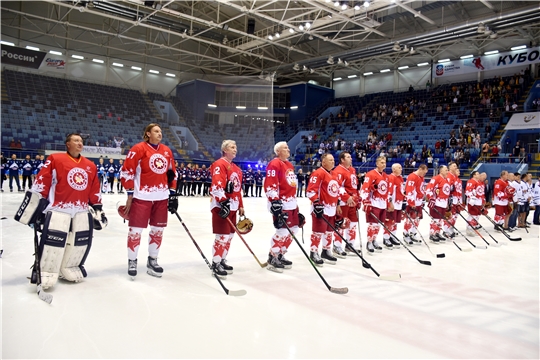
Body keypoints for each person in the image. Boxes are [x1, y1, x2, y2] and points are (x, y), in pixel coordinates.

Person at [15, 133, 106, 290]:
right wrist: (35, 208)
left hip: (81, 210)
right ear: (67, 144)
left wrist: (97, 208)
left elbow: (94, 188)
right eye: (76, 140)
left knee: (80, 242)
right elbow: (42, 181)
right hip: (59, 208)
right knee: (53, 242)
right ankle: (46, 271)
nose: (80, 143)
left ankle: (70, 267)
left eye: (81, 141)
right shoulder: (55, 159)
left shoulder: (90, 165)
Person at [119, 123, 178, 279]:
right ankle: (132, 261)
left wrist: (172, 193)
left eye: (160, 131)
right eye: (156, 131)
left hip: (161, 198)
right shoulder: (138, 149)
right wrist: (130, 194)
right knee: (135, 231)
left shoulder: (166, 151)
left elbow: (173, 173)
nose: (160, 134)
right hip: (142, 197)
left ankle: (153, 260)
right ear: (147, 134)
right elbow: (127, 171)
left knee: (158, 231)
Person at [208, 140, 244, 278]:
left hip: (233, 206)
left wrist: (241, 205)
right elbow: (216, 185)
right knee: (222, 236)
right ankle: (216, 262)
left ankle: (222, 259)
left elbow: (237, 189)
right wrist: (223, 202)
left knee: (229, 236)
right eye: (232, 147)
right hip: (222, 205)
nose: (235, 149)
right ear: (224, 150)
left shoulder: (237, 169)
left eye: (236, 147)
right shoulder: (219, 164)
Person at [264, 142, 300, 272]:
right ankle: (272, 256)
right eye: (285, 148)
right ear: (278, 151)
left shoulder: (289, 165)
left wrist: (296, 205)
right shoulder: (274, 163)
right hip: (281, 203)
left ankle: (280, 253)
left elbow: (291, 185)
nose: (288, 149)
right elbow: (270, 184)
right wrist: (274, 201)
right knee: (283, 231)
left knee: (294, 229)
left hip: (291, 203)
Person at [306, 153, 340, 264]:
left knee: (329, 231)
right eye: (330, 160)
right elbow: (310, 191)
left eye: (333, 160)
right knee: (318, 231)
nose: (333, 162)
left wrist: (338, 204)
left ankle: (326, 251)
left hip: (332, 208)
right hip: (321, 208)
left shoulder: (334, 174)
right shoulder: (318, 173)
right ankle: (314, 252)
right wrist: (316, 203)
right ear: (323, 162)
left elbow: (336, 191)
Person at [360, 156, 389, 253]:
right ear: (377, 164)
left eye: (384, 162)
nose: (383, 164)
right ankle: (369, 242)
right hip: (374, 203)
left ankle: (374, 239)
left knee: (379, 224)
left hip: (383, 204)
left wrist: (388, 202)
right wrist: (366, 201)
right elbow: (365, 188)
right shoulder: (370, 174)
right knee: (372, 224)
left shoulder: (386, 176)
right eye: (381, 162)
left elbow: (387, 191)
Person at [333, 151, 360, 256]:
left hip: (352, 201)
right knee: (342, 224)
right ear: (342, 160)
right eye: (348, 157)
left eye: (350, 157)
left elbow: (355, 186)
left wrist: (357, 198)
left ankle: (350, 244)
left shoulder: (352, 170)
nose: (351, 158)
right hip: (344, 202)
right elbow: (337, 187)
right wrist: (346, 197)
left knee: (353, 223)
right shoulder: (338, 171)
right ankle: (337, 245)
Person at [403, 164, 428, 244]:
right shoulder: (412, 176)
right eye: (424, 172)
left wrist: (422, 200)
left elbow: (420, 189)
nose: (424, 174)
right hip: (412, 202)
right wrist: (411, 202)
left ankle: (413, 233)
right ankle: (406, 234)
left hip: (419, 202)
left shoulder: (421, 177)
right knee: (410, 219)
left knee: (417, 219)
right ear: (420, 169)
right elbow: (409, 190)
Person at [425, 165, 451, 243]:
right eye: (446, 170)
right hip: (437, 202)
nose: (447, 172)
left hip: (443, 202)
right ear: (441, 171)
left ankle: (437, 232)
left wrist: (446, 202)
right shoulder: (435, 178)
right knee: (435, 219)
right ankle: (432, 234)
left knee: (441, 219)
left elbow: (446, 192)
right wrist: (431, 199)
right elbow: (429, 189)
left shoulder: (446, 180)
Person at [383, 163, 405, 249]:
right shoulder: (391, 177)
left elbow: (402, 191)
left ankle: (392, 236)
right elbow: (389, 191)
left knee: (395, 222)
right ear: (394, 169)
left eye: (401, 167)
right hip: (393, 204)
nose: (401, 169)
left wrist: (403, 203)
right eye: (399, 168)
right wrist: (390, 203)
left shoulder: (400, 178)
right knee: (389, 221)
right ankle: (386, 238)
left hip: (399, 203)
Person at [443, 162, 463, 239]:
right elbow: (448, 188)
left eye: (456, 166)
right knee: (449, 214)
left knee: (454, 215)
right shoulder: (449, 175)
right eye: (454, 166)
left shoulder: (454, 177)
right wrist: (448, 199)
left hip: (455, 198)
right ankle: (446, 230)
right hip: (450, 198)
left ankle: (450, 228)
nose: (456, 167)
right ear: (450, 167)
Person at [464, 171, 485, 235]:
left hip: (479, 201)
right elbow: (467, 191)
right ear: (474, 175)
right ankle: (469, 228)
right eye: (477, 174)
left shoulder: (479, 182)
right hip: (473, 201)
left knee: (477, 215)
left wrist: (483, 200)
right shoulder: (471, 181)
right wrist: (472, 197)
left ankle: (474, 225)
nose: (479, 175)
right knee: (472, 214)